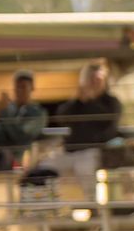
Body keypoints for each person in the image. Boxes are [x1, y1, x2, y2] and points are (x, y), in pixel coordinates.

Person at [50, 62, 123, 198]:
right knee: (47, 167)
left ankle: (92, 208)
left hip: (95, 151)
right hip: (71, 151)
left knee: (85, 170)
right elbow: (61, 117)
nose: (94, 83)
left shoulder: (110, 102)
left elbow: (109, 125)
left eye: (98, 80)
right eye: (91, 80)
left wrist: (91, 101)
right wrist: (79, 100)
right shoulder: (77, 103)